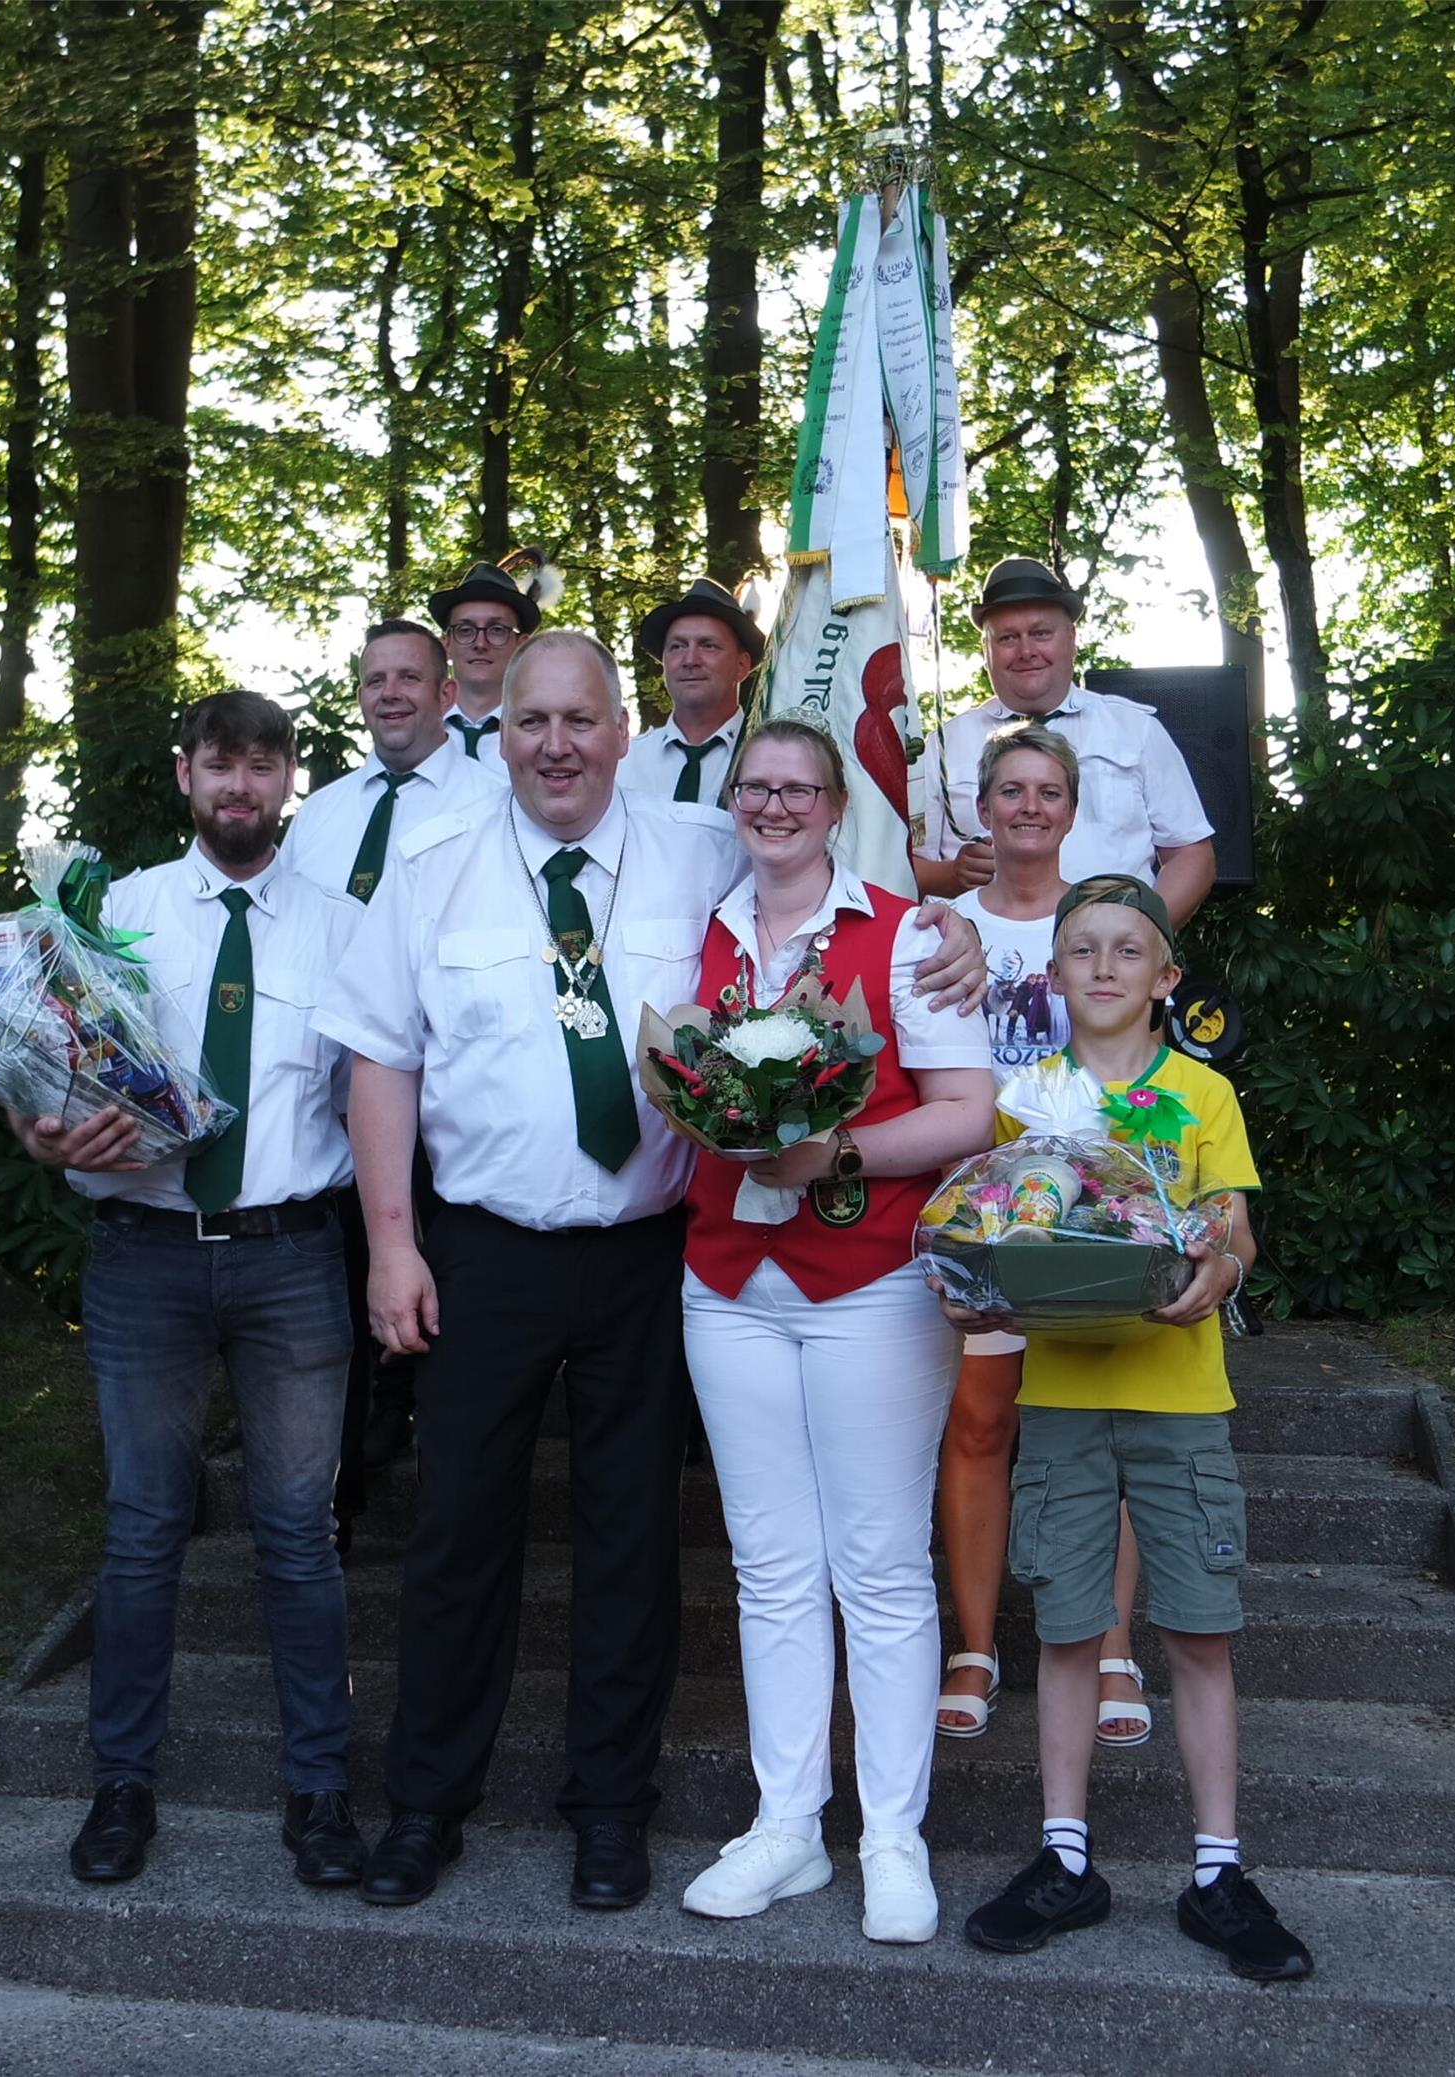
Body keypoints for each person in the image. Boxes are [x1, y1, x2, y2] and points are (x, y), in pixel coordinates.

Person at [314, 630, 986, 1916]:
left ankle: (611, 1811)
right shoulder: (429, 870)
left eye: (582, 719)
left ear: (626, 731)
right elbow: (380, 1064)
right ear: (493, 732)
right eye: (531, 722)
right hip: (483, 1250)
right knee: (458, 1536)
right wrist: (391, 1241)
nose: (557, 744)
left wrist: (952, 919)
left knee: (632, 1540)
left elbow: (836, 878)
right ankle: (425, 1805)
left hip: (650, 1250)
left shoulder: (700, 848)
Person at [6, 691, 365, 1894]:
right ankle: (121, 1786)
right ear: (184, 775)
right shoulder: (113, 918)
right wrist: (42, 1134)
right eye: (221, 764)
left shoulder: (343, 925)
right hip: (145, 1258)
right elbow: (33, 1066)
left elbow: (387, 1091)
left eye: (263, 766)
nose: (241, 786)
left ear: (287, 783)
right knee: (144, 1529)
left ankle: (319, 1794)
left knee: (299, 1539)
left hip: (294, 1259)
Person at [945, 876, 1313, 1984]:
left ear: (1167, 978)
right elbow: (1001, 1228)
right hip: (1059, 1395)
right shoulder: (1031, 1098)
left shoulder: (1202, 1095)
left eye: (1126, 950)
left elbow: (1233, 1229)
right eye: (1082, 950)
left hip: (1180, 1397)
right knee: (1065, 1629)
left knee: (1198, 1630)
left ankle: (1216, 1872)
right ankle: (1066, 1858)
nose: (1103, 967)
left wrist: (1220, 1271)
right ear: (1053, 975)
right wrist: (978, 1287)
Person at [675, 720, 995, 1946]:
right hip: (725, 1284)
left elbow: (968, 1113)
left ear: (835, 802)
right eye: (755, 786)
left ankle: (895, 1837)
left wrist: (838, 1151)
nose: (774, 805)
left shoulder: (912, 933)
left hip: (867, 1281)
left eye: (799, 788)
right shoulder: (696, 932)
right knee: (771, 1566)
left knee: (879, 1566)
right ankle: (788, 1826)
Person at [935, 728, 1151, 1753]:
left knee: (1098, 1428)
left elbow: (1143, 1059)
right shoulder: (939, 924)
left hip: (1085, 1214)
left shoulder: (1100, 920)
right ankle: (975, 1644)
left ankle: (1109, 1643)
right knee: (980, 1420)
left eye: (1048, 791)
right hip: (978, 1216)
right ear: (981, 807)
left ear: (1072, 808)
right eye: (1009, 790)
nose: (1028, 807)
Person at [280, 619, 506, 1535]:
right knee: (340, 1297)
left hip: (446, 1097)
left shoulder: (494, 800)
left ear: (448, 692)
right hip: (332, 1100)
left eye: (410, 676)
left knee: (441, 1295)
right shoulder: (325, 812)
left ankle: (447, 1494)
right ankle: (341, 1491)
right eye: (376, 679)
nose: (391, 694)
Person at [914, 558, 1216, 928]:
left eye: (1041, 633)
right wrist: (950, 875)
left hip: (1108, 968)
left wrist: (1140, 939)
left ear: (1071, 640)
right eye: (1007, 638)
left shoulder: (1135, 730)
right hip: (979, 961)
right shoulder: (943, 746)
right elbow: (903, 866)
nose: (1026, 651)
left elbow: (1191, 854)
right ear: (986, 651)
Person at [620, 574, 760, 806]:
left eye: (708, 646)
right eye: (677, 646)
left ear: (741, 666)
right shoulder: (624, 761)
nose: (690, 659)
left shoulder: (769, 757)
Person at [426, 557, 544, 768]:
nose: (480, 643)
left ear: (522, 646)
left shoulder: (545, 737)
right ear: (446, 645)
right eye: (465, 630)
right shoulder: (418, 733)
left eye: (497, 630)